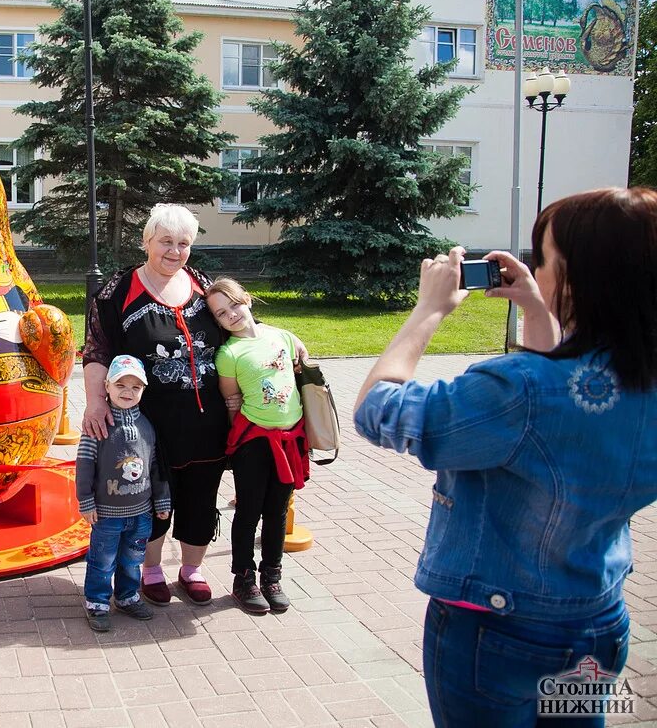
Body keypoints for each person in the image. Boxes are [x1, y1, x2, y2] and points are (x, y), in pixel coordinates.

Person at [352, 187, 657, 724]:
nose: (537, 270)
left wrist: (428, 311)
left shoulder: (519, 390)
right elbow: (566, 403)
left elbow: (378, 411)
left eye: (545, 260)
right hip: (595, 624)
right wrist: (538, 309)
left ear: (583, 279)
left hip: (496, 633)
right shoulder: (636, 376)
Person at [82, 204, 229, 606]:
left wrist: (282, 340)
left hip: (206, 423)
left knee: (201, 496)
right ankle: (150, 570)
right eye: (166, 241)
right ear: (147, 241)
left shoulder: (201, 282)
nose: (175, 251)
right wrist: (95, 404)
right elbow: (96, 351)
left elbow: (237, 324)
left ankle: (192, 569)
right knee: (150, 498)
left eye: (184, 243)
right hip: (147, 426)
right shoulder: (118, 290)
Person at [206, 277, 309, 615]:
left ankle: (272, 575)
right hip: (254, 441)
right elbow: (230, 398)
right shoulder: (229, 353)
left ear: (247, 300)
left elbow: (300, 362)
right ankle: (244, 577)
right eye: (221, 314)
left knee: (278, 510)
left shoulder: (281, 336)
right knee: (249, 510)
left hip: (289, 438)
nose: (231, 315)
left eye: (233, 305)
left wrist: (300, 350)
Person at [76, 355, 172, 632]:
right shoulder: (98, 425)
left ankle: (128, 596)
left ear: (144, 390)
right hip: (107, 514)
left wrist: (161, 499)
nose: (127, 392)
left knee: (133, 559)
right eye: (120, 385)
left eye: (135, 387)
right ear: (106, 386)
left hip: (141, 513)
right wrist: (86, 501)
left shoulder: (146, 426)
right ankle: (97, 602)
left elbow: (155, 465)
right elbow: (84, 465)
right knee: (102, 560)